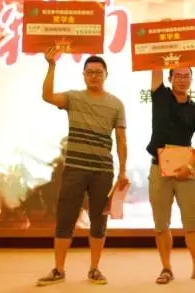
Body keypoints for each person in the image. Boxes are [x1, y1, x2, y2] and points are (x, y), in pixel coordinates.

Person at [37, 49, 128, 286]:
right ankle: (58, 269)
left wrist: (123, 170)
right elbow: (47, 96)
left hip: (102, 171)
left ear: (106, 74)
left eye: (98, 72)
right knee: (65, 219)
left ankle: (94, 269)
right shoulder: (73, 98)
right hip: (74, 169)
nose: (94, 76)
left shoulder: (116, 104)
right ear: (84, 75)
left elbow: (121, 140)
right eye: (90, 72)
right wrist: (51, 66)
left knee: (99, 221)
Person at [147, 67, 195, 284]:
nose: (183, 80)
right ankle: (166, 268)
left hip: (186, 169)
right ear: (170, 78)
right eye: (178, 76)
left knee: (191, 221)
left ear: (192, 80)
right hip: (159, 168)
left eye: (187, 76)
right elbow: (155, 67)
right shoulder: (160, 96)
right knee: (161, 222)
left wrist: (190, 164)